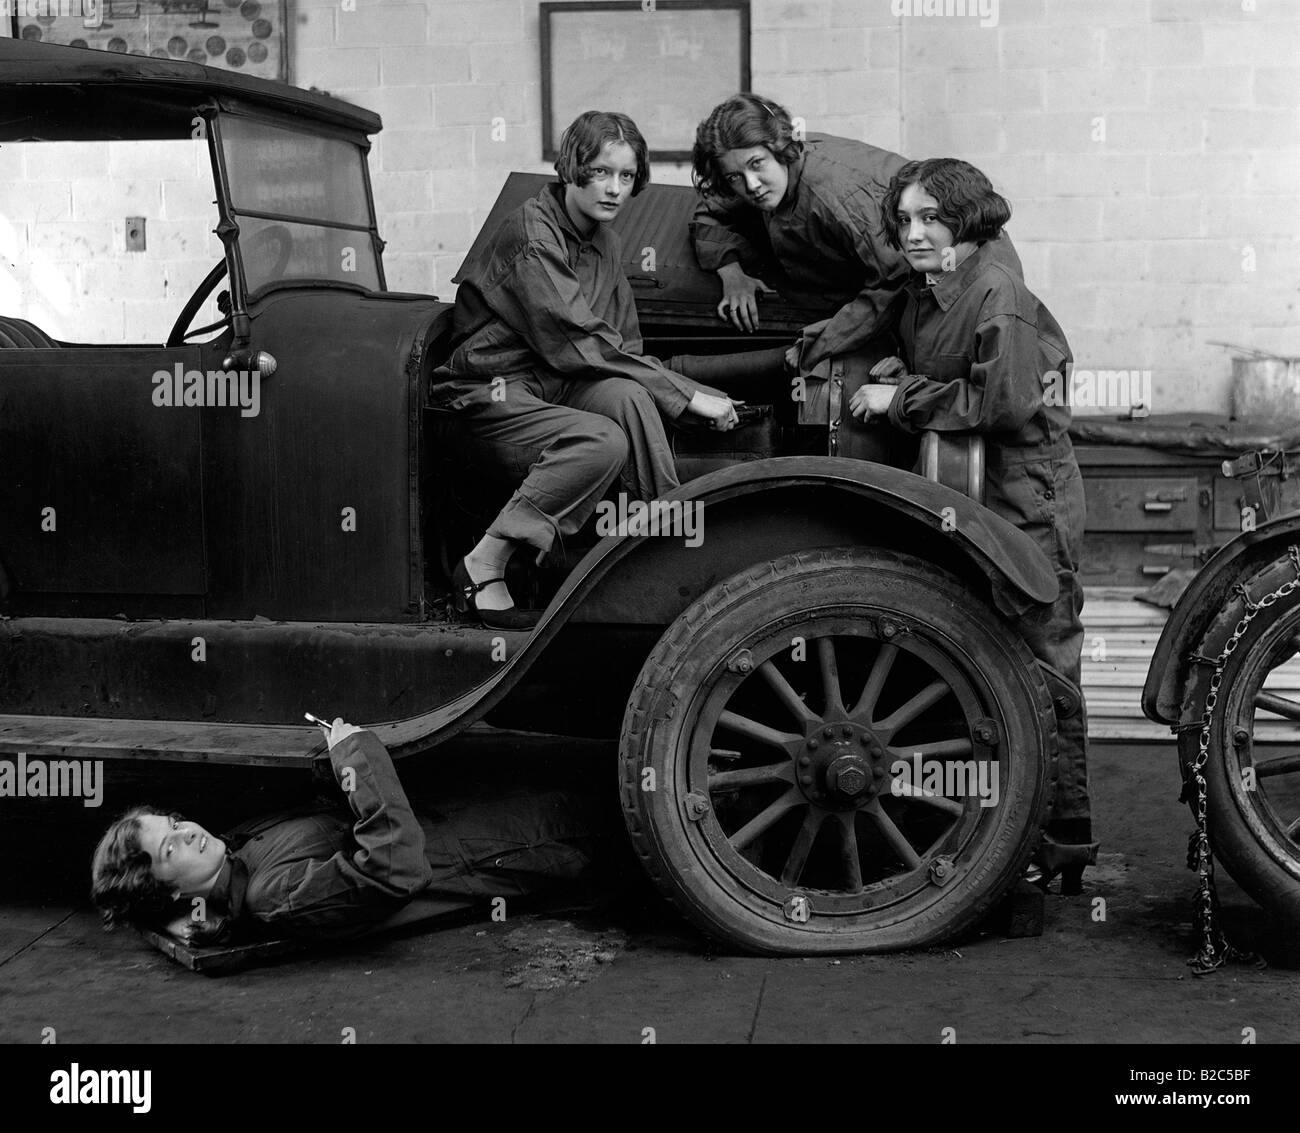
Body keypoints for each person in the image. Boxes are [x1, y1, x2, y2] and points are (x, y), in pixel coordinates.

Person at [851, 157, 1096, 892]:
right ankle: (1004, 834)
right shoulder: (928, 292)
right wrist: (899, 366)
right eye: (905, 221)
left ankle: (1065, 839)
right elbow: (931, 360)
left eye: (931, 219)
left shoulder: (996, 293)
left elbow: (1004, 405)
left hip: (1031, 494)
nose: (915, 233)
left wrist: (897, 400)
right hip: (977, 490)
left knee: (1046, 657)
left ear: (967, 220)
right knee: (987, 657)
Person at [428, 110, 740, 630]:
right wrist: (686, 395)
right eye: (600, 172)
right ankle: (486, 558)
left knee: (629, 397)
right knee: (601, 441)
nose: (614, 189)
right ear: (572, 167)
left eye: (625, 176)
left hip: (558, 382)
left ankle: (662, 541)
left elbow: (623, 347)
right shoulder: (532, 232)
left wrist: (679, 394)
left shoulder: (606, 241)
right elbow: (573, 337)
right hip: (489, 389)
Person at [90, 718, 612, 945]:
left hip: (478, 818)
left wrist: (166, 922)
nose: (188, 833)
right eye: (169, 847)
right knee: (619, 810)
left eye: (176, 823)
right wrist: (354, 754)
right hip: (523, 843)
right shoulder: (270, 896)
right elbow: (395, 868)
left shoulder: (238, 852)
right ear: (170, 890)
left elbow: (139, 908)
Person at [689, 93, 1021, 376]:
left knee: (964, 394)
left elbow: (893, 280)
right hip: (910, 283)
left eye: (757, 164)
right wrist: (730, 272)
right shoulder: (760, 179)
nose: (750, 185)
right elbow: (710, 211)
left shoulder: (834, 193)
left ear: (780, 147)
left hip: (966, 278)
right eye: (734, 177)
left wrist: (820, 342)